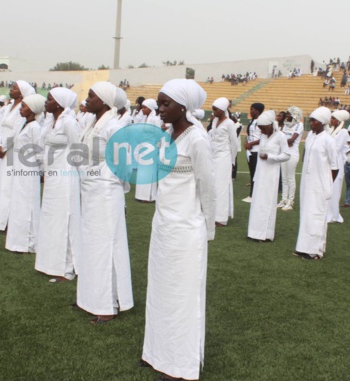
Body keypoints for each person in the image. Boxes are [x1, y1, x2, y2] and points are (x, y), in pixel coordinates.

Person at [140, 78, 215, 381]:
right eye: (159, 102)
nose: (160, 108)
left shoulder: (197, 138)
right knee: (161, 289)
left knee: (183, 296)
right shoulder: (169, 134)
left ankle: (180, 365)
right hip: (164, 225)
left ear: (184, 106)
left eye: (165, 103)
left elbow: (207, 187)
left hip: (186, 229)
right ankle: (157, 352)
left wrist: (206, 229)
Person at [75, 82, 133, 324]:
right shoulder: (90, 124)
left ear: (106, 102)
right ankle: (90, 297)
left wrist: (112, 186)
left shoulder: (114, 126)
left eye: (92, 96)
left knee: (106, 247)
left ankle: (107, 304)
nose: (87, 100)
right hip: (90, 191)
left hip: (106, 193)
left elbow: (124, 165)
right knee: (91, 245)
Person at [35, 88, 81, 282]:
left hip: (66, 178)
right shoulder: (50, 122)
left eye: (50, 99)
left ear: (61, 103)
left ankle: (67, 268)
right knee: (51, 220)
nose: (46, 102)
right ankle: (50, 263)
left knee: (65, 220)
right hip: (52, 179)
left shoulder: (69, 122)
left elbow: (79, 150)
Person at [0, 80, 35, 231]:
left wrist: (4, 147)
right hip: (4, 150)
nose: (11, 89)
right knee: (3, 185)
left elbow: (16, 131)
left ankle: (8, 221)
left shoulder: (23, 109)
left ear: (22, 93)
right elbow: (1, 128)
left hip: (13, 151)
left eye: (15, 88)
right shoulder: (8, 107)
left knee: (10, 186)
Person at [293, 107, 338, 260]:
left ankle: (315, 251)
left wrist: (327, 184)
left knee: (317, 215)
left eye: (314, 121)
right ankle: (303, 247)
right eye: (310, 120)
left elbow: (335, 167)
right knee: (306, 214)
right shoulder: (311, 137)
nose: (311, 123)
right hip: (307, 182)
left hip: (320, 185)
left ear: (323, 123)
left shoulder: (329, 140)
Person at [5, 94, 45, 253]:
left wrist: (42, 171)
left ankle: (28, 242)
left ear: (33, 109)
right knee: (19, 204)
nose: (21, 109)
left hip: (29, 172)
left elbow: (39, 152)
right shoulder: (24, 124)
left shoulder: (35, 127)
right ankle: (17, 241)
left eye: (24, 106)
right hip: (19, 170)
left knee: (27, 204)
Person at [247, 110, 290, 241]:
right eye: (260, 129)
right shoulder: (264, 136)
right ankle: (254, 232)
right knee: (257, 202)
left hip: (271, 174)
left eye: (264, 128)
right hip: (260, 173)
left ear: (271, 125)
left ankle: (265, 234)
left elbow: (287, 155)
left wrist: (270, 157)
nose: (262, 131)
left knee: (267, 202)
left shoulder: (281, 136)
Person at [210, 97, 238, 226]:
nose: (214, 112)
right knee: (213, 186)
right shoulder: (215, 120)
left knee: (221, 187)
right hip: (213, 157)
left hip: (224, 157)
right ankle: (212, 214)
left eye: (215, 109)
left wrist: (232, 162)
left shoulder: (229, 123)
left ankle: (221, 218)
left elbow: (234, 144)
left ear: (222, 110)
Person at [135, 98, 163, 202]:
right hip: (143, 146)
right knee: (142, 171)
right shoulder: (144, 119)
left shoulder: (155, 119)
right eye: (142, 107)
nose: (143, 110)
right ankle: (140, 195)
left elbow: (158, 134)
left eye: (145, 108)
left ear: (150, 108)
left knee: (149, 171)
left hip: (151, 147)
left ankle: (148, 196)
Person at [326, 109, 350, 223]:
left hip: (337, 161)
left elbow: (337, 147)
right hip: (329, 161)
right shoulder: (330, 130)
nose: (331, 120)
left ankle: (333, 214)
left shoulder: (343, 132)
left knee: (335, 187)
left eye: (334, 118)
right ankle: (326, 211)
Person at [279, 106, 304, 211]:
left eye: (289, 114)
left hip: (292, 154)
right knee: (284, 178)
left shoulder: (299, 125)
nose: (287, 115)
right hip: (284, 153)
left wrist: (285, 141)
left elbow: (291, 141)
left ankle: (290, 201)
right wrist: (285, 141)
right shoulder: (285, 125)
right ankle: (284, 199)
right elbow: (283, 140)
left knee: (290, 178)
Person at [243, 103, 264, 202]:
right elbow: (250, 134)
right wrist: (246, 142)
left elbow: (263, 138)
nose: (250, 111)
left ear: (258, 111)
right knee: (252, 173)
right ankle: (252, 194)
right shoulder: (252, 121)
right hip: (250, 151)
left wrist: (251, 144)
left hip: (257, 150)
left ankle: (255, 195)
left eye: (252, 109)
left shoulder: (262, 122)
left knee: (256, 174)